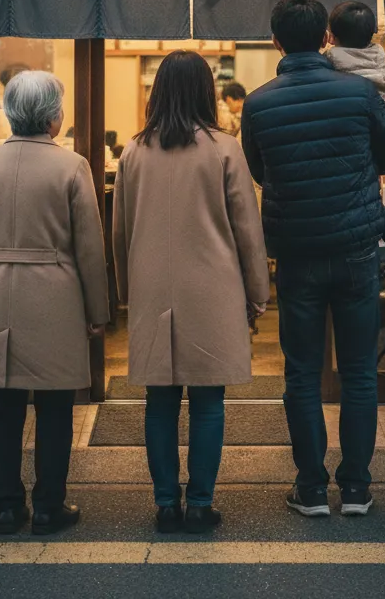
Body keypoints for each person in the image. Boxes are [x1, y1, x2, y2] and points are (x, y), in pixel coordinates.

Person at [241, 0, 385, 519]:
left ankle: (311, 488)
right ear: (326, 39)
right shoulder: (359, 93)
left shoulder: (259, 102)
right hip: (357, 250)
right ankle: (355, 488)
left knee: (302, 374)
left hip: (297, 254)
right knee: (359, 373)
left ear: (276, 42)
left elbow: (260, 172)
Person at [113, 51, 270, 535]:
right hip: (214, 290)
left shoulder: (134, 152)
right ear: (206, 91)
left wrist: (126, 291)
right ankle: (200, 504)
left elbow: (120, 231)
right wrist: (258, 292)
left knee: (158, 402)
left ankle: (165, 504)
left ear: (157, 93)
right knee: (208, 402)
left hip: (152, 290)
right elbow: (247, 228)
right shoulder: (224, 148)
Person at [0, 71, 109, 537]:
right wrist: (97, 311)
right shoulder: (71, 167)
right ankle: (49, 505)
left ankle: (6, 506)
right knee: (54, 408)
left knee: (3, 408)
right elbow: (89, 248)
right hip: (53, 291)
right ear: (53, 116)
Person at [327, 0, 385, 279]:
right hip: (380, 129)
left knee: (361, 198)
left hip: (357, 134)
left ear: (331, 36)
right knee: (367, 197)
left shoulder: (334, 63)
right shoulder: (377, 56)